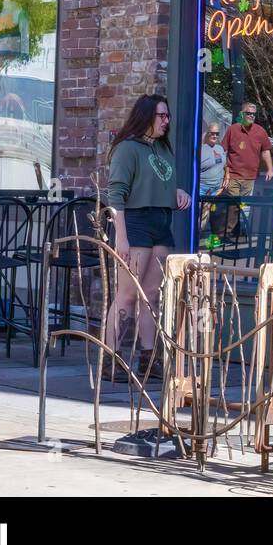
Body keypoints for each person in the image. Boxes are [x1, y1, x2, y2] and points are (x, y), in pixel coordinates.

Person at [105, 94, 191, 378]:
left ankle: (147, 357)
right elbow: (115, 193)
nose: (167, 121)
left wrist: (177, 193)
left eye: (168, 116)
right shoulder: (127, 149)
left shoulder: (163, 148)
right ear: (146, 116)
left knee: (152, 296)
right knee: (128, 296)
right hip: (135, 220)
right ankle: (110, 357)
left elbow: (159, 183)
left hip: (161, 221)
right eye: (161, 116)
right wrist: (121, 236)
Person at [219, 102, 273, 237]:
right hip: (233, 175)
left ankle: (240, 232)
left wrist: (270, 169)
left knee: (245, 207)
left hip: (250, 176)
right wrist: (224, 172)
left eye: (253, 114)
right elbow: (222, 151)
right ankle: (226, 233)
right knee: (233, 205)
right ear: (242, 114)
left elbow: (266, 151)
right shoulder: (233, 129)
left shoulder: (260, 131)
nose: (251, 116)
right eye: (248, 113)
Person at [197, 122, 226, 234]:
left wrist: (226, 176)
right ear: (207, 134)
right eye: (212, 133)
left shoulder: (220, 148)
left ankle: (203, 240)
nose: (215, 136)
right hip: (203, 189)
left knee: (211, 218)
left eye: (217, 134)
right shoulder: (201, 149)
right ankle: (193, 241)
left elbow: (224, 165)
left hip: (216, 190)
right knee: (198, 216)